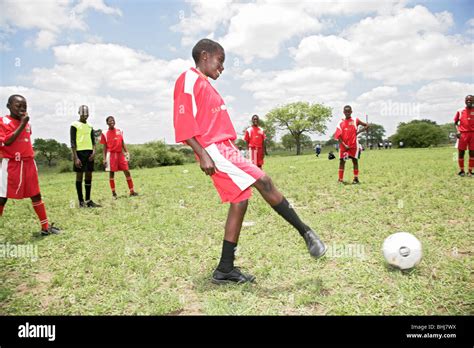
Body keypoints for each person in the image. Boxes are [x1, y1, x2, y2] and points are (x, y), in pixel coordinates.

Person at [173, 38, 326, 284]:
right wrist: (202, 154)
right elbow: (182, 121)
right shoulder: (188, 79)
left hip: (224, 147)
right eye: (220, 61)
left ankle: (225, 269)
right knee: (264, 181)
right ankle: (305, 232)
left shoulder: (205, 84)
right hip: (215, 149)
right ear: (204, 55)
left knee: (240, 201)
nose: (222, 68)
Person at [0, 95, 60, 235]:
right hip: (11, 165)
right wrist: (22, 123)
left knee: (36, 194)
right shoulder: (3, 122)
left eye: (24, 106)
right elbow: (8, 142)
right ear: (8, 106)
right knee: (2, 197)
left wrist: (24, 123)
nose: (22, 109)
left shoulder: (27, 123)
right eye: (18, 106)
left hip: (28, 163)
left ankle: (45, 227)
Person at [70, 105, 101, 208]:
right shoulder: (74, 125)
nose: (85, 115)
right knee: (79, 175)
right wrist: (75, 157)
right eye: (83, 113)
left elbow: (93, 141)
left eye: (87, 113)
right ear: (79, 113)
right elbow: (73, 142)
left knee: (89, 175)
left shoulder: (90, 126)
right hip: (79, 153)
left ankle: (88, 201)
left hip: (89, 153)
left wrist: (94, 152)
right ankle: (81, 201)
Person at [100, 116, 138, 198]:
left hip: (120, 153)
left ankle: (132, 191)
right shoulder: (104, 133)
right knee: (111, 173)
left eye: (113, 120)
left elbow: (122, 142)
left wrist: (126, 152)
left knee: (127, 171)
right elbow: (104, 147)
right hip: (111, 155)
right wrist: (104, 158)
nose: (111, 122)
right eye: (109, 121)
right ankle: (114, 193)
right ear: (107, 123)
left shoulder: (120, 130)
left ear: (115, 122)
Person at [334, 105, 369, 184]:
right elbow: (338, 136)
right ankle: (340, 179)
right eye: (345, 112)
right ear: (343, 112)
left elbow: (367, 125)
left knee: (355, 161)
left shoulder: (355, 120)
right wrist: (344, 145)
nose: (347, 113)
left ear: (351, 112)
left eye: (348, 111)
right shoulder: (340, 122)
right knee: (342, 162)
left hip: (354, 145)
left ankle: (356, 179)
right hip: (344, 147)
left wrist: (358, 132)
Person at [454, 95, 474, 177]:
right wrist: (458, 131)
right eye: (467, 100)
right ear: (465, 101)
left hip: (473, 134)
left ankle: (470, 171)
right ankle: (462, 171)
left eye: (471, 100)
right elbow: (455, 122)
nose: (469, 101)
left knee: (472, 153)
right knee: (461, 153)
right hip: (463, 134)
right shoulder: (460, 110)